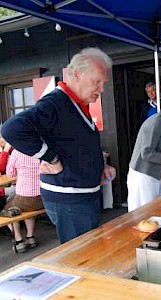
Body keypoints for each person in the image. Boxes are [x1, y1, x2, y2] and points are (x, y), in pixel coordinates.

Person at [1, 47, 116, 244]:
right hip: (69, 199)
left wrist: (101, 165)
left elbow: (77, 143)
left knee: (88, 251)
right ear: (78, 74)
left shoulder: (76, 103)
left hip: (81, 196)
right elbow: (12, 129)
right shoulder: (56, 102)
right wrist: (49, 157)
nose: (102, 89)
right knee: (81, 257)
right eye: (97, 82)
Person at [3, 149, 42, 253]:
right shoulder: (40, 149)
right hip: (44, 197)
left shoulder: (17, 152)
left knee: (9, 209)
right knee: (26, 208)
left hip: (26, 198)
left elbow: (10, 173)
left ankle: (19, 240)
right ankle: (30, 237)